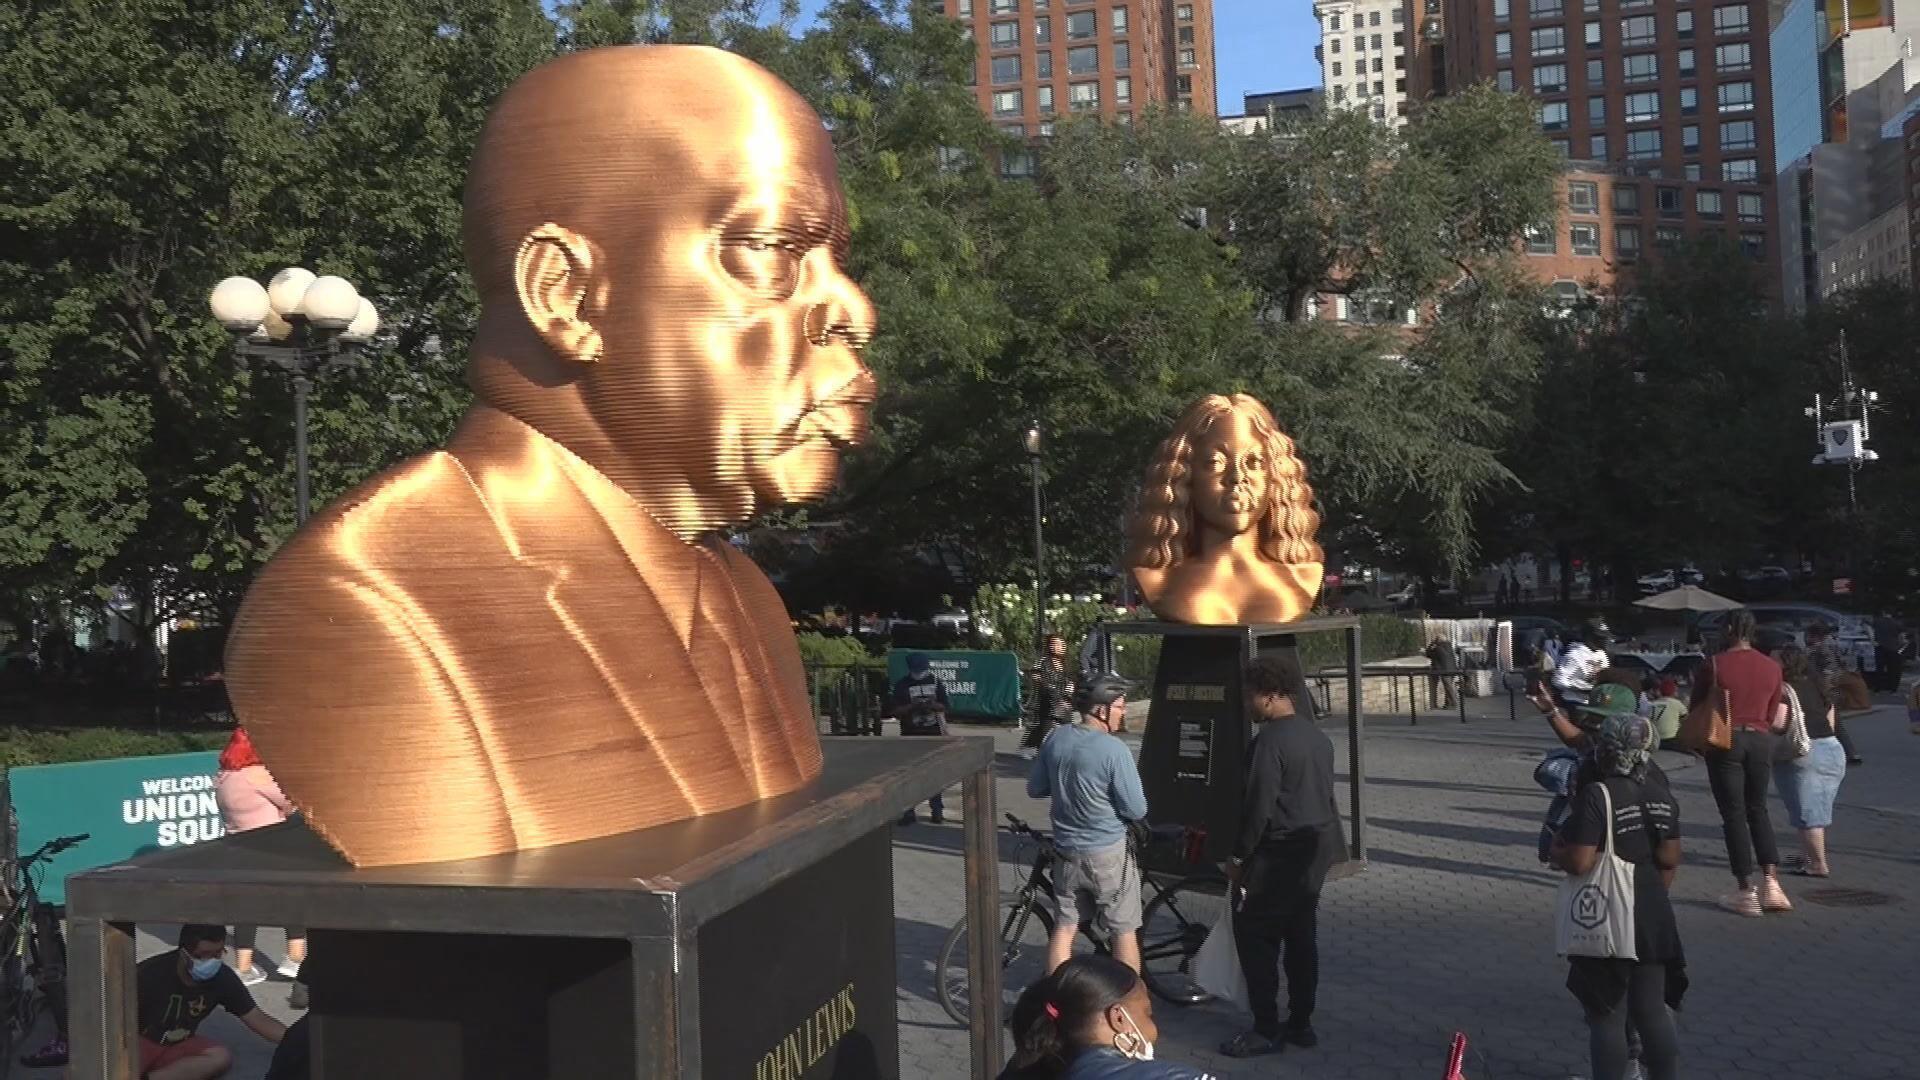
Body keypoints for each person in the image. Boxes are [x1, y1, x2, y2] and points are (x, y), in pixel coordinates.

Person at [218, 47, 880, 868]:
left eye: (835, 261)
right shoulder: (371, 597)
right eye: (773, 246)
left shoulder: (744, 593)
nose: (852, 307)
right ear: (564, 294)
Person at [1219, 657, 1343, 1059]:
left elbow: (1259, 807)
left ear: (1271, 695)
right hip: (1314, 849)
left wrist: (1238, 856)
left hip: (1278, 855)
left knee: (1256, 938)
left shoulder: (1269, 742)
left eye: (1251, 695)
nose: (1247, 702)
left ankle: (1264, 1027)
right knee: (1302, 936)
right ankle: (1301, 1023)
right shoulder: (1316, 737)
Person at [1552, 712, 1687, 1080]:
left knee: (1606, 1012)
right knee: (1652, 1011)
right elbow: (1670, 857)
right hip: (1654, 910)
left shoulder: (1600, 793)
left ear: (1608, 749)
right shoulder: (1661, 793)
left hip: (1610, 913)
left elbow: (1580, 860)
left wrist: (1556, 852)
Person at [1122, 393, 1324, 625]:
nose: (1237, 477)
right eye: (1215, 462)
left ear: (1275, 474)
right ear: (1185, 476)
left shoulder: (1304, 574)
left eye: (1253, 462)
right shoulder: (1156, 579)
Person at [1027, 673, 1148, 974]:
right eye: (1120, 706)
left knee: (1064, 929)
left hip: (1066, 853)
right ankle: (1128, 1003)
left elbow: (1035, 789)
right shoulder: (1115, 750)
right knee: (1123, 931)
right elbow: (1136, 808)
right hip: (1107, 855)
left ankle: (1056, 1000)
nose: (1124, 713)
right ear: (1102, 710)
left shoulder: (1056, 737)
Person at [1691, 609, 1791, 917]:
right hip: (1761, 741)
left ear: (1731, 630)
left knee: (1733, 813)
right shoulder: (1772, 667)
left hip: (1726, 739)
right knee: (1758, 808)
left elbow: (1697, 705)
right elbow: (1774, 711)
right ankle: (1772, 883)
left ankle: (1746, 889)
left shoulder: (1715, 664)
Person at [999, 954, 1219, 1079]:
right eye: (1147, 1014)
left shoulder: (1028, 1070)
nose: (1154, 1029)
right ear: (1119, 1019)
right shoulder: (1173, 1077)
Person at [213, 727, 306, 984]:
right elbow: (291, 802)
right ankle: (295, 958)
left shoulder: (223, 777)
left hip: (238, 848)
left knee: (246, 909)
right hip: (272, 848)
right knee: (294, 900)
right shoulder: (258, 775)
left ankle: (244, 967)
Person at [137, 924, 286, 1079]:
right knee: (121, 1064)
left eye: (217, 954)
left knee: (219, 1057)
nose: (211, 961)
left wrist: (298, 1039)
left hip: (178, 1043)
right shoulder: (150, 974)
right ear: (184, 953)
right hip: (141, 1041)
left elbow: (256, 1018)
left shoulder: (222, 978)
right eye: (204, 954)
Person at [1771, 645, 1845, 878]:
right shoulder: (1817, 685)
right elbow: (1831, 721)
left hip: (1802, 753)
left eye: (1774, 659)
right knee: (1816, 810)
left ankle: (1817, 864)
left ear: (1785, 663)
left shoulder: (1783, 689)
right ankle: (1806, 856)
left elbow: (1779, 723)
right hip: (1831, 748)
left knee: (1807, 814)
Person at [891, 652, 950, 825]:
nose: (920, 673)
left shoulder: (936, 682)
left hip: (933, 732)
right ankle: (908, 812)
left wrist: (932, 705)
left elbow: (945, 706)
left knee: (934, 773)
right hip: (911, 732)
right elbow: (894, 711)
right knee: (910, 774)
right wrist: (912, 707)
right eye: (917, 670)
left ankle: (937, 810)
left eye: (922, 669)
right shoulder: (902, 685)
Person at [1804, 621, 1863, 765]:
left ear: (1815, 636)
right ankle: (1850, 753)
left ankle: (1849, 753)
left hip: (1825, 691)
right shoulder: (1830, 647)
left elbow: (1830, 672)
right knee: (1834, 723)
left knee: (1832, 723)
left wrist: (1823, 689)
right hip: (1829, 690)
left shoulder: (1822, 650)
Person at [1025, 635, 1076, 751]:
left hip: (1064, 704)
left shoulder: (1066, 664)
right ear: (1049, 646)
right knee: (1046, 737)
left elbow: (1071, 680)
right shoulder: (1042, 662)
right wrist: (1048, 687)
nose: (1057, 647)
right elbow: (1034, 676)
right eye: (1054, 644)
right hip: (1048, 703)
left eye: (1060, 644)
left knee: (1067, 734)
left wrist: (1070, 688)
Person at [1552, 618, 1614, 711]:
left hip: (1596, 702)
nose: (1605, 641)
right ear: (1589, 637)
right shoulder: (1575, 655)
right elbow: (1558, 681)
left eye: (1605, 637)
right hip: (1576, 703)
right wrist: (1585, 688)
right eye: (1601, 638)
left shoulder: (1601, 654)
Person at [1646, 678, 1687, 750]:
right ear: (1674, 692)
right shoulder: (1676, 703)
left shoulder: (1652, 705)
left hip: (1656, 740)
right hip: (1672, 739)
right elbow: (1686, 717)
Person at [1424, 636, 1459, 709]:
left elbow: (1428, 654)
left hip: (1444, 670)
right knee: (1449, 687)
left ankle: (1454, 703)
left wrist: (1431, 644)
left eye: (1436, 640)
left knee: (1448, 688)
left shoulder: (1438, 648)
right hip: (1452, 670)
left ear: (1438, 640)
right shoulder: (1449, 647)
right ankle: (1448, 704)